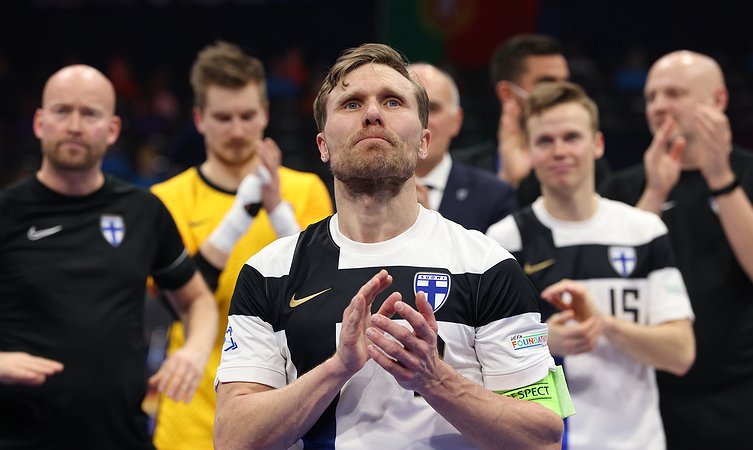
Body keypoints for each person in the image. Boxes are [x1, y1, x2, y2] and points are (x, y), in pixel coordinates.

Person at [213, 43, 572, 449]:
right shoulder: (269, 272)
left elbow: (543, 438)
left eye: (392, 101)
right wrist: (337, 368)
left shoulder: (487, 265)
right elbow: (232, 439)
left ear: (423, 141)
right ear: (322, 145)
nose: (372, 113)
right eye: (351, 103)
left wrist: (435, 380)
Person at [0, 65, 217, 449]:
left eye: (89, 113)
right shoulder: (7, 213)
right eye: (62, 111)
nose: (74, 125)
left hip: (121, 437)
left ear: (113, 129)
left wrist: (194, 351)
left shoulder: (143, 212)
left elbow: (198, 300)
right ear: (39, 122)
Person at [486, 81, 695, 449]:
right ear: (529, 151)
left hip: (638, 441)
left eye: (572, 137)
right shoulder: (505, 239)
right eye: (545, 141)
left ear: (598, 144)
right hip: (547, 441)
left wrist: (605, 325)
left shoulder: (644, 230)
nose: (560, 151)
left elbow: (680, 353)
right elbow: (485, 355)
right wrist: (545, 341)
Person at [149, 41, 333, 450]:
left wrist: (278, 210)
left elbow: (324, 292)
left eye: (247, 116)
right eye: (223, 117)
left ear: (265, 113)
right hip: (191, 409)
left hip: (285, 408)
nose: (236, 131)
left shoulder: (305, 190)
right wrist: (240, 216)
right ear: (199, 118)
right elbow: (174, 303)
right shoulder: (167, 200)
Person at [600, 50, 753, 449]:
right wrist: (655, 193)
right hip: (647, 392)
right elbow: (614, 282)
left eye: (674, 93)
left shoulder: (748, 173)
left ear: (718, 100)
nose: (658, 106)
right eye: (651, 97)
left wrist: (721, 179)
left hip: (738, 391)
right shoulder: (625, 187)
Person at [479, 33, 611, 207]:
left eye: (565, 82)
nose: (560, 93)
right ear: (507, 94)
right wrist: (509, 182)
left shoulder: (585, 160)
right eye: (547, 83)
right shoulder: (465, 169)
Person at [408, 63, 516, 233]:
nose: (422, 121)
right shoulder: (365, 191)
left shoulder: (493, 195)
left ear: (456, 121)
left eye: (433, 109)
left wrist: (430, 227)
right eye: (410, 107)